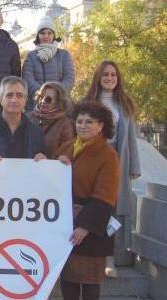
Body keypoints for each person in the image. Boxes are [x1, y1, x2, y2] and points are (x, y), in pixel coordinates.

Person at [55, 101, 120, 300]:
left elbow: (105, 194)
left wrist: (85, 226)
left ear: (101, 125)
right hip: (66, 223)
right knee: (69, 282)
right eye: (79, 121)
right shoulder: (65, 148)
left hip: (92, 226)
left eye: (89, 122)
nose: (83, 125)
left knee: (90, 283)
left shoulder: (108, 155)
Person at [82, 60, 141, 274]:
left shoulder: (124, 104)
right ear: (98, 77)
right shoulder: (87, 101)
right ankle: (89, 254)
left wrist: (134, 165)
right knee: (92, 206)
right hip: (92, 161)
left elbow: (131, 138)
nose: (109, 78)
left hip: (117, 162)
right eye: (105, 74)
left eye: (113, 75)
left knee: (113, 210)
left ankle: (109, 258)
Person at [0, 76, 46, 160]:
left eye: (19, 95)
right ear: (0, 99)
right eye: (9, 95)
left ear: (25, 100)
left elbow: (45, 167)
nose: (14, 100)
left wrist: (44, 161)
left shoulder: (37, 133)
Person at [22, 16, 75, 110]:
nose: (46, 36)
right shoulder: (31, 56)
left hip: (60, 103)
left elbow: (69, 78)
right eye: (42, 33)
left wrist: (57, 94)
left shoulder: (64, 55)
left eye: (49, 33)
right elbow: (28, 79)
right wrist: (43, 94)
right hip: (36, 104)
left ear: (54, 35)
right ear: (38, 35)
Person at [27, 81, 74, 159]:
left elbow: (66, 153)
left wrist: (48, 161)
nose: (42, 101)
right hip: (26, 167)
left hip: (51, 169)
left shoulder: (65, 124)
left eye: (47, 99)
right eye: (41, 97)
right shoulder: (28, 118)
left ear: (59, 102)